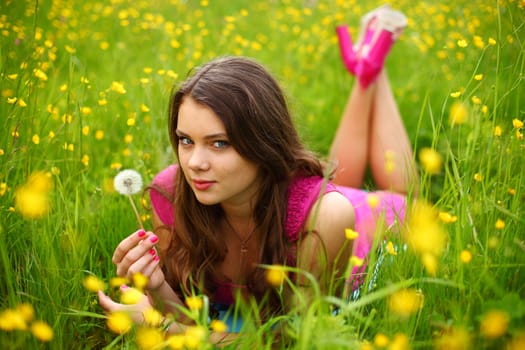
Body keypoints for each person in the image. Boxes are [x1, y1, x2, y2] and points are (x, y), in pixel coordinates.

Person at [98, 4, 416, 341]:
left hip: (364, 224)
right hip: (302, 198)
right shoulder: (169, 194)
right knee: (339, 177)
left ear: (263, 143)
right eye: (186, 140)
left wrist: (160, 327)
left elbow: (298, 339)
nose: (194, 163)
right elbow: (190, 319)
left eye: (219, 143)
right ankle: (368, 66)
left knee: (399, 193)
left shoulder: (327, 217)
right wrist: (158, 287)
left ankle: (373, 73)